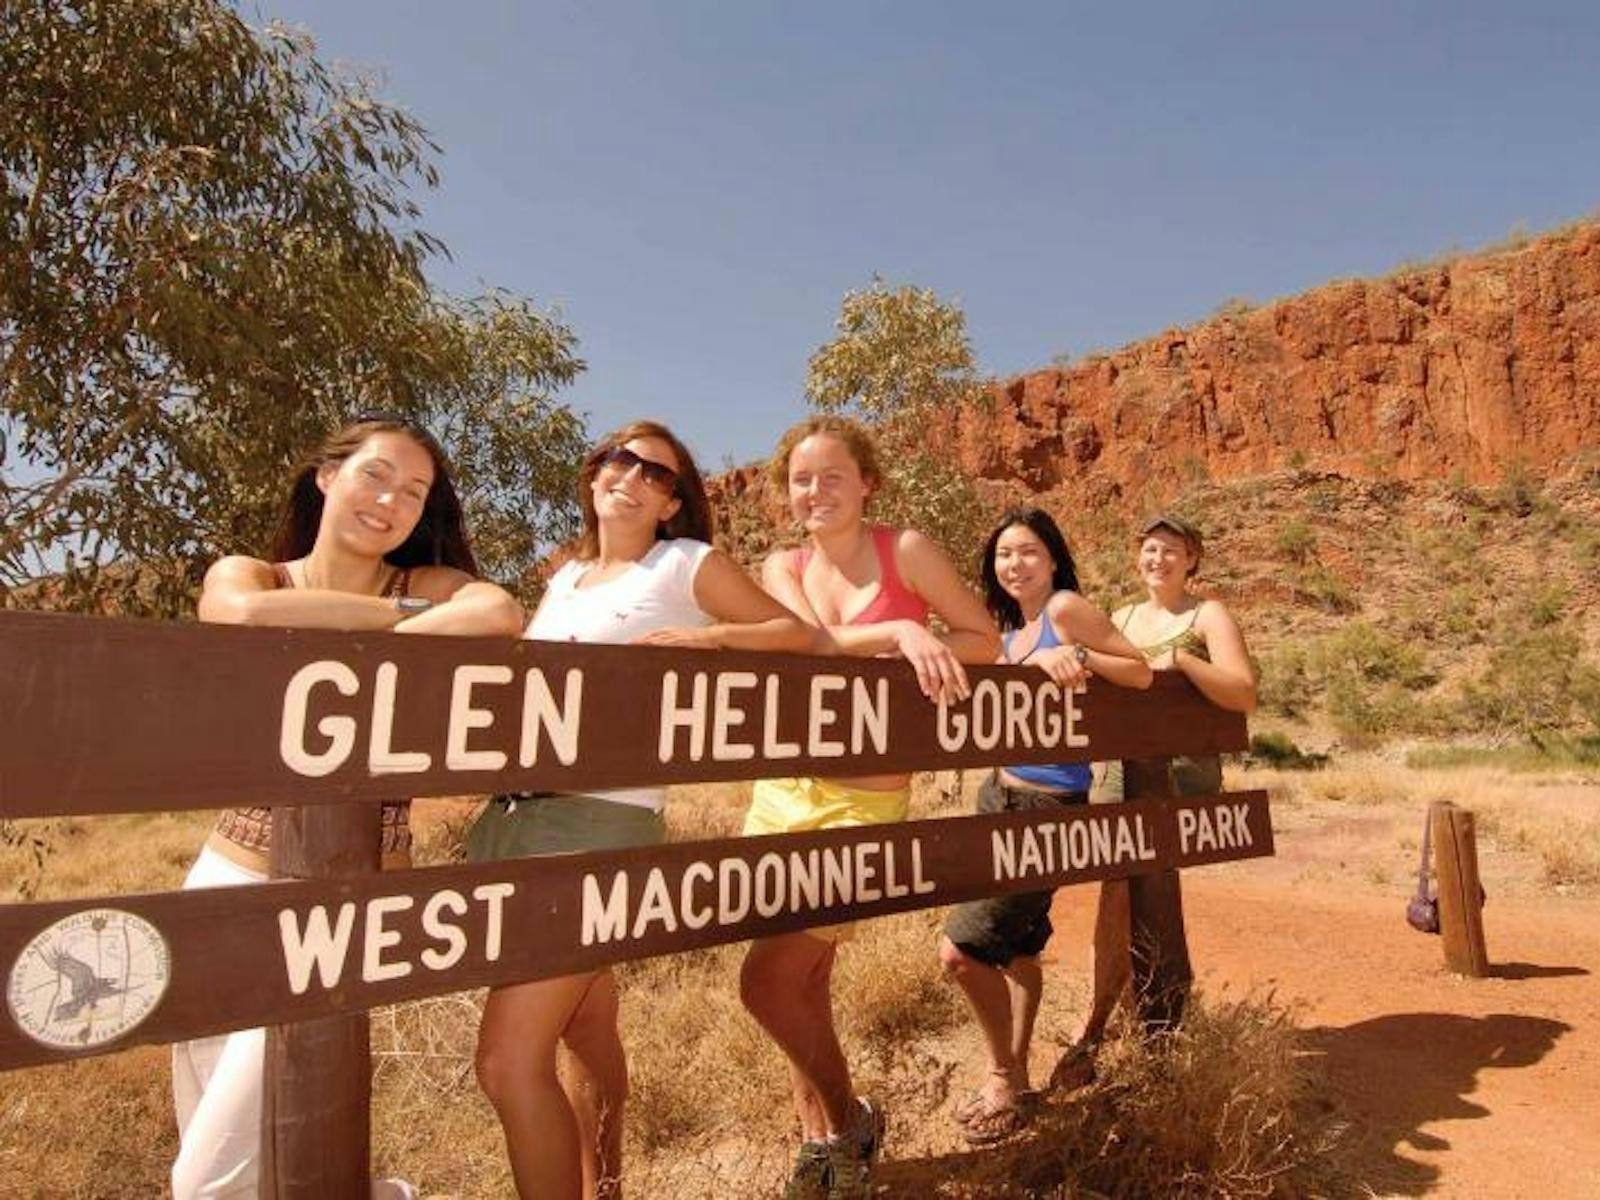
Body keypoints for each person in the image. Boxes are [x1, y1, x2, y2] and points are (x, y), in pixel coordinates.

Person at [175, 414, 525, 1200]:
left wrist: (396, 612)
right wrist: (400, 627)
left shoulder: (426, 584)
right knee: (222, 1138)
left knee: (209, 1183)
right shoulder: (257, 573)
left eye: (414, 491)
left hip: (343, 909)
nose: (391, 500)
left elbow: (497, 615)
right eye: (375, 474)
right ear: (326, 476)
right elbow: (235, 615)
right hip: (224, 882)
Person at [469, 420, 816, 1200]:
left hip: (597, 820)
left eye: (656, 474)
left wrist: (716, 639)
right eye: (618, 461)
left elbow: (793, 633)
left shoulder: (684, 563)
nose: (631, 477)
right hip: (516, 819)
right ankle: (606, 1186)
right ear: (594, 476)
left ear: (670, 504)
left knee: (505, 1060)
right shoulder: (564, 578)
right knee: (584, 1026)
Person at [741, 415, 1001, 1199]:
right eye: (801, 479)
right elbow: (809, 643)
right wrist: (896, 630)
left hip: (866, 799)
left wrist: (931, 640)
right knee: (805, 981)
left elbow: (983, 639)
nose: (814, 491)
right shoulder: (779, 563)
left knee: (766, 983)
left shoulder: (907, 550)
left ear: (867, 483)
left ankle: (851, 1120)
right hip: (783, 790)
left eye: (831, 476)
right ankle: (820, 1147)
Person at [937, 507, 1151, 1143]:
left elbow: (1138, 670)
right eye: (1004, 555)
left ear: (1053, 558)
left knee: (961, 952)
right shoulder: (1010, 633)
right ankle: (1021, 1074)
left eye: (1028, 551)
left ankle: (1002, 1077)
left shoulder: (1062, 610)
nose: (1015, 564)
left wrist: (1082, 654)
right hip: (997, 797)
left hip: (1048, 808)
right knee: (1020, 948)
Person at [1051, 513, 1257, 1090]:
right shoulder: (1119, 617)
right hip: (1117, 775)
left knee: (1153, 887)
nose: (1157, 559)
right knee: (1116, 889)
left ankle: (1148, 1025)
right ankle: (1109, 1023)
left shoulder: (1206, 614)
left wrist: (1182, 664)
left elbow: (1242, 692)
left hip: (1181, 779)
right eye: (1148, 549)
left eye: (1170, 550)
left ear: (1192, 558)